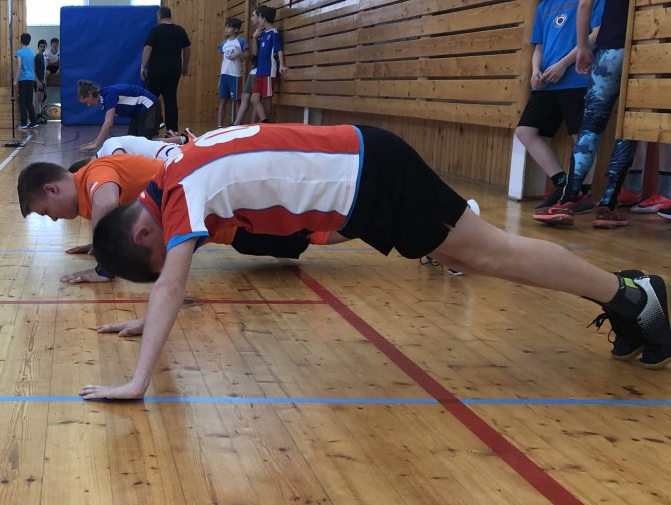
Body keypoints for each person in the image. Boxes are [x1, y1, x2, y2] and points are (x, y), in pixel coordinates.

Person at [80, 124, 671, 401]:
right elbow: (172, 279)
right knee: (478, 257)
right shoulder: (171, 177)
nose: (171, 259)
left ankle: (635, 296)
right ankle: (625, 297)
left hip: (372, 173)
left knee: (490, 253)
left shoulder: (181, 188)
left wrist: (138, 382)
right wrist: (148, 319)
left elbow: (173, 282)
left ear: (143, 229)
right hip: (364, 177)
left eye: (156, 255)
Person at [19, 153, 327, 284]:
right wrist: (97, 242)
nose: (54, 220)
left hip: (232, 217)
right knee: (302, 235)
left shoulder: (95, 172)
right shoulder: (87, 195)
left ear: (52, 189)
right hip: (225, 229)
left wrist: (104, 265)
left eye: (46, 212)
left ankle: (350, 220)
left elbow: (108, 202)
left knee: (314, 232)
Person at [536, 0, 640, 230]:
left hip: (608, 48)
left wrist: (583, 47)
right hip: (644, 49)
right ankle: (608, 207)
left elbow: (585, 2)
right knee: (628, 129)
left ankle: (568, 200)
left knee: (591, 126)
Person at [511, 0, 605, 212]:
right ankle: (562, 183)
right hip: (547, 83)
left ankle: (582, 193)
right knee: (526, 131)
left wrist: (563, 64)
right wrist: (536, 71)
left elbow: (595, 34)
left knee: (581, 137)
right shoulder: (545, 6)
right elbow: (538, 47)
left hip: (579, 78)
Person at [140, 6, 191, 133]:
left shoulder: (155, 31)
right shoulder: (179, 30)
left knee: (150, 99)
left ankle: (152, 127)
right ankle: (172, 130)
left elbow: (148, 48)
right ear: (169, 16)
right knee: (170, 100)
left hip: (156, 71)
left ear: (159, 16)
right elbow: (187, 49)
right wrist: (185, 66)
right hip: (173, 71)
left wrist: (143, 66)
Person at [235, 5, 287, 124]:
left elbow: (279, 49)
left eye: (259, 18)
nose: (258, 20)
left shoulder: (273, 33)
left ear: (264, 19)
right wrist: (255, 37)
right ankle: (265, 121)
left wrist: (282, 64)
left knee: (267, 98)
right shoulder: (262, 34)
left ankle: (266, 125)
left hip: (268, 70)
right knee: (254, 98)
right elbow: (256, 53)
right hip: (260, 71)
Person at [77, 80, 161, 152]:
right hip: (139, 112)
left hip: (149, 106)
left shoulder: (109, 95)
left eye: (86, 102)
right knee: (131, 142)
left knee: (145, 142)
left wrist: (96, 144)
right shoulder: (104, 98)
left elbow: (108, 122)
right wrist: (94, 142)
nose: (88, 105)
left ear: (90, 94)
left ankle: (169, 142)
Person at [217, 17, 250, 128]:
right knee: (223, 101)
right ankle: (219, 126)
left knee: (236, 100)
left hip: (235, 75)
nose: (226, 29)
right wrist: (220, 78)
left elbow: (247, 55)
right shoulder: (224, 43)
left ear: (236, 29)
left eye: (229, 27)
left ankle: (237, 125)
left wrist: (237, 55)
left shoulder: (241, 41)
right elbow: (223, 61)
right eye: (226, 27)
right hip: (224, 74)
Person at [14, 33, 38, 129]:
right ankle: (33, 121)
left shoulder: (19, 53)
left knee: (22, 101)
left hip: (23, 79)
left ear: (21, 41)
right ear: (29, 41)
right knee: (29, 101)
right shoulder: (32, 53)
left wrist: (15, 80)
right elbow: (33, 67)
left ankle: (23, 123)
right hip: (31, 79)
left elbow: (19, 66)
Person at [34, 38, 48, 118]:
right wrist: (37, 81)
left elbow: (44, 71)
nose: (42, 48)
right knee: (37, 99)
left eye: (44, 47)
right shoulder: (37, 57)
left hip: (42, 80)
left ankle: (39, 116)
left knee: (41, 99)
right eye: (41, 47)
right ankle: (37, 117)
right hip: (37, 81)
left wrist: (44, 81)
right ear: (38, 47)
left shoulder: (43, 57)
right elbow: (34, 69)